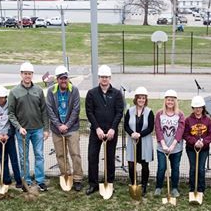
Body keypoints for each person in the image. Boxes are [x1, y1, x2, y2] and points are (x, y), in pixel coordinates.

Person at [7, 61, 51, 192]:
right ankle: (26, 181)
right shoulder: (14, 92)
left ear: (32, 75)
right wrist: (19, 127)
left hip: (38, 129)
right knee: (23, 157)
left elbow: (44, 111)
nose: (27, 76)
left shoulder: (38, 90)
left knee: (39, 155)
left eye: (30, 73)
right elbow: (11, 113)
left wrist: (46, 129)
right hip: (22, 131)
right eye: (25, 73)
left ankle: (40, 180)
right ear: (21, 74)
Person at [84, 64, 124, 195]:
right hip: (97, 132)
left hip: (111, 132)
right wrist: (97, 128)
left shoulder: (117, 94)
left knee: (110, 158)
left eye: (106, 77)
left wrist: (113, 129)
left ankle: (109, 182)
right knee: (92, 157)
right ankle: (93, 184)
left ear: (110, 78)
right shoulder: (92, 93)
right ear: (99, 78)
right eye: (102, 77)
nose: (104, 79)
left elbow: (119, 112)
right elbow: (89, 112)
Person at [45, 65, 83, 191]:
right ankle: (66, 175)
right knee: (61, 155)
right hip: (57, 130)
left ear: (68, 78)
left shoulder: (74, 90)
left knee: (75, 154)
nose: (63, 81)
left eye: (65, 78)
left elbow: (76, 109)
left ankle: (77, 178)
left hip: (72, 129)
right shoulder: (51, 91)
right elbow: (49, 110)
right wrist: (58, 125)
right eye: (61, 78)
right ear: (57, 79)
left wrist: (67, 125)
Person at [0, 85, 26, 191]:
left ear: (6, 97)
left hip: (9, 138)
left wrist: (9, 134)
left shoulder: (10, 108)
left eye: (3, 97)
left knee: (14, 159)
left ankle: (18, 180)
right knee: (2, 159)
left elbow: (13, 122)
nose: (1, 100)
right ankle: (6, 179)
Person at [123, 87, 155, 195]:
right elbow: (126, 125)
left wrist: (140, 134)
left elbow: (150, 128)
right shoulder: (130, 111)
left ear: (146, 99)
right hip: (132, 142)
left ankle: (144, 185)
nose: (141, 100)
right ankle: (133, 184)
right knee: (131, 164)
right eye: (139, 98)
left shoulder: (149, 112)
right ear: (136, 99)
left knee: (145, 165)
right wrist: (132, 133)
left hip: (144, 142)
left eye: (143, 98)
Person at [154, 90, 185, 197]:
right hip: (162, 148)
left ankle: (175, 188)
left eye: (172, 100)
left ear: (175, 101)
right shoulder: (159, 114)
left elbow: (180, 130)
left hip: (176, 148)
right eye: (168, 99)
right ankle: (158, 187)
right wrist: (163, 144)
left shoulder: (180, 114)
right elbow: (158, 129)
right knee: (162, 167)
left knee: (175, 168)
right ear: (165, 100)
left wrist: (172, 145)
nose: (170, 102)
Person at [183, 96, 211, 197]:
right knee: (193, 168)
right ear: (193, 108)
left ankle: (201, 189)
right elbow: (185, 134)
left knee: (201, 168)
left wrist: (204, 142)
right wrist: (194, 142)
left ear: (203, 108)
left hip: (204, 149)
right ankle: (192, 188)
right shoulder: (188, 120)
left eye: (200, 107)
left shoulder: (208, 120)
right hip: (191, 149)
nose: (198, 109)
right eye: (196, 107)